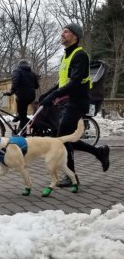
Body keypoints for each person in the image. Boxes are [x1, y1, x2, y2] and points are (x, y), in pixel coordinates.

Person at [39, 23, 110, 187]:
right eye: (62, 31)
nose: (62, 34)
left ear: (75, 36)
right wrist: (48, 93)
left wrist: (54, 95)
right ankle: (98, 154)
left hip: (77, 102)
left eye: (66, 31)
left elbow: (76, 82)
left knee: (62, 138)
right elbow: (63, 82)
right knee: (66, 139)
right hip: (67, 102)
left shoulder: (80, 55)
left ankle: (74, 176)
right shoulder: (66, 56)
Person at [6, 59, 39, 132]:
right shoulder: (32, 73)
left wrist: (12, 91)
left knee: (22, 116)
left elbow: (15, 81)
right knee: (22, 114)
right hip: (31, 96)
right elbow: (37, 86)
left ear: (19, 65)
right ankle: (21, 130)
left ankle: (35, 125)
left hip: (22, 96)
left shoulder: (17, 71)